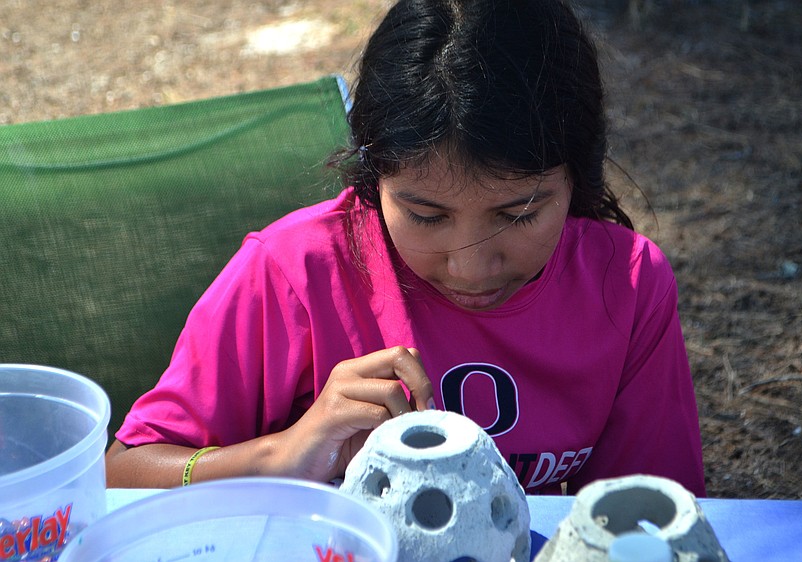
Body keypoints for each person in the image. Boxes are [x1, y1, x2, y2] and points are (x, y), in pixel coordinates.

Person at [106, 0, 706, 497]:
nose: (470, 266)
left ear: (580, 176)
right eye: (425, 215)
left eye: (519, 213)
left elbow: (656, 513)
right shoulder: (294, 273)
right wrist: (278, 457)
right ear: (373, 178)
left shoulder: (625, 285)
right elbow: (121, 473)